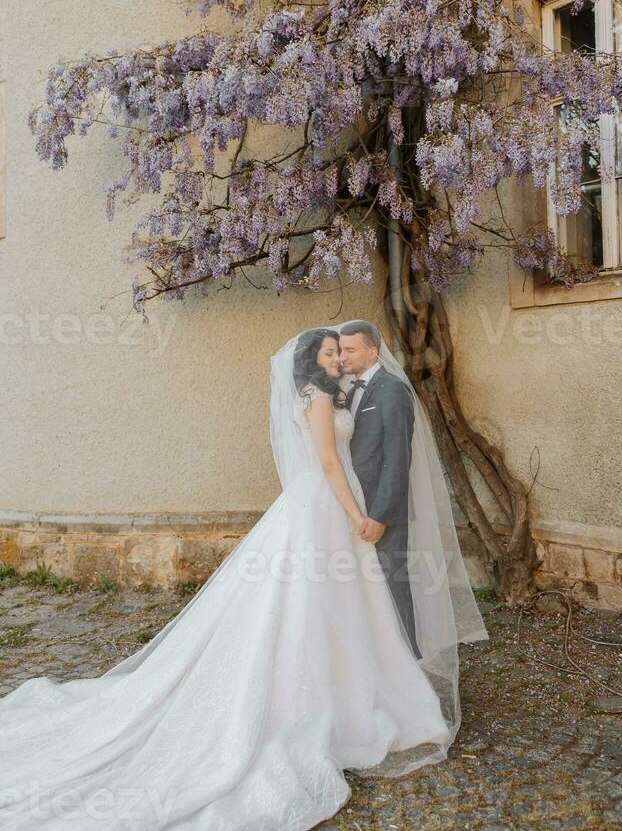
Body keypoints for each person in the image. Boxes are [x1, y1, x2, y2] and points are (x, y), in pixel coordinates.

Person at [0, 322, 488, 831]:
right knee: (316, 599)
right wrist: (353, 513)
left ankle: (356, 680)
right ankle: (325, 695)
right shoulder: (317, 395)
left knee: (339, 599)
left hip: (321, 506)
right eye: (329, 351)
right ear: (311, 360)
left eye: (341, 351)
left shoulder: (327, 392)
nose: (338, 357)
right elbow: (326, 462)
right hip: (327, 506)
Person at [339, 320, 420, 657]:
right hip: (355, 507)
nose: (342, 356)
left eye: (349, 349)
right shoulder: (346, 390)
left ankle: (410, 662)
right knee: (364, 590)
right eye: (340, 350)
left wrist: (381, 515)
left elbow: (397, 459)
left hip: (381, 511)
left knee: (393, 585)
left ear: (372, 351)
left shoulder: (392, 390)